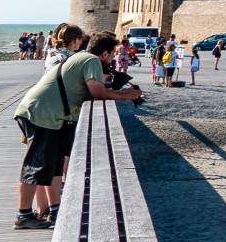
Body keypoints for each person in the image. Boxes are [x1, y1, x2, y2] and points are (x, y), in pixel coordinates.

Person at [11, 33, 141, 229]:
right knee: (35, 166)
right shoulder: (91, 60)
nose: (114, 57)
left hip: (48, 114)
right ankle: (23, 216)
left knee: (53, 165)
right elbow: (97, 91)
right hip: (43, 114)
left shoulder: (81, 57)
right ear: (105, 53)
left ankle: (50, 212)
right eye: (113, 53)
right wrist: (126, 95)